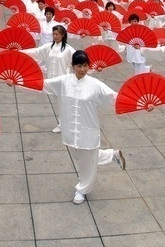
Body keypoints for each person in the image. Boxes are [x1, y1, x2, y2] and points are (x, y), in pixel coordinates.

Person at [42, 50, 126, 204]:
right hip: (70, 130)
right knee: (82, 156)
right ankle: (111, 155)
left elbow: (116, 97)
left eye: (85, 65)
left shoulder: (95, 85)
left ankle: (82, 189)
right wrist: (17, 82)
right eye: (79, 65)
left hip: (88, 129)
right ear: (73, 66)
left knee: (86, 163)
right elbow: (42, 84)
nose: (82, 69)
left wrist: (139, 104)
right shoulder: (64, 81)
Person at [23, 25, 76, 132]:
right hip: (52, 80)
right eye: (54, 34)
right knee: (60, 103)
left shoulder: (69, 50)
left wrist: (90, 70)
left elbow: (79, 63)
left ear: (63, 35)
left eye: (57, 34)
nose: (55, 36)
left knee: (64, 103)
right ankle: (65, 123)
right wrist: (19, 52)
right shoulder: (48, 47)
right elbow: (35, 52)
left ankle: (64, 125)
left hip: (64, 81)